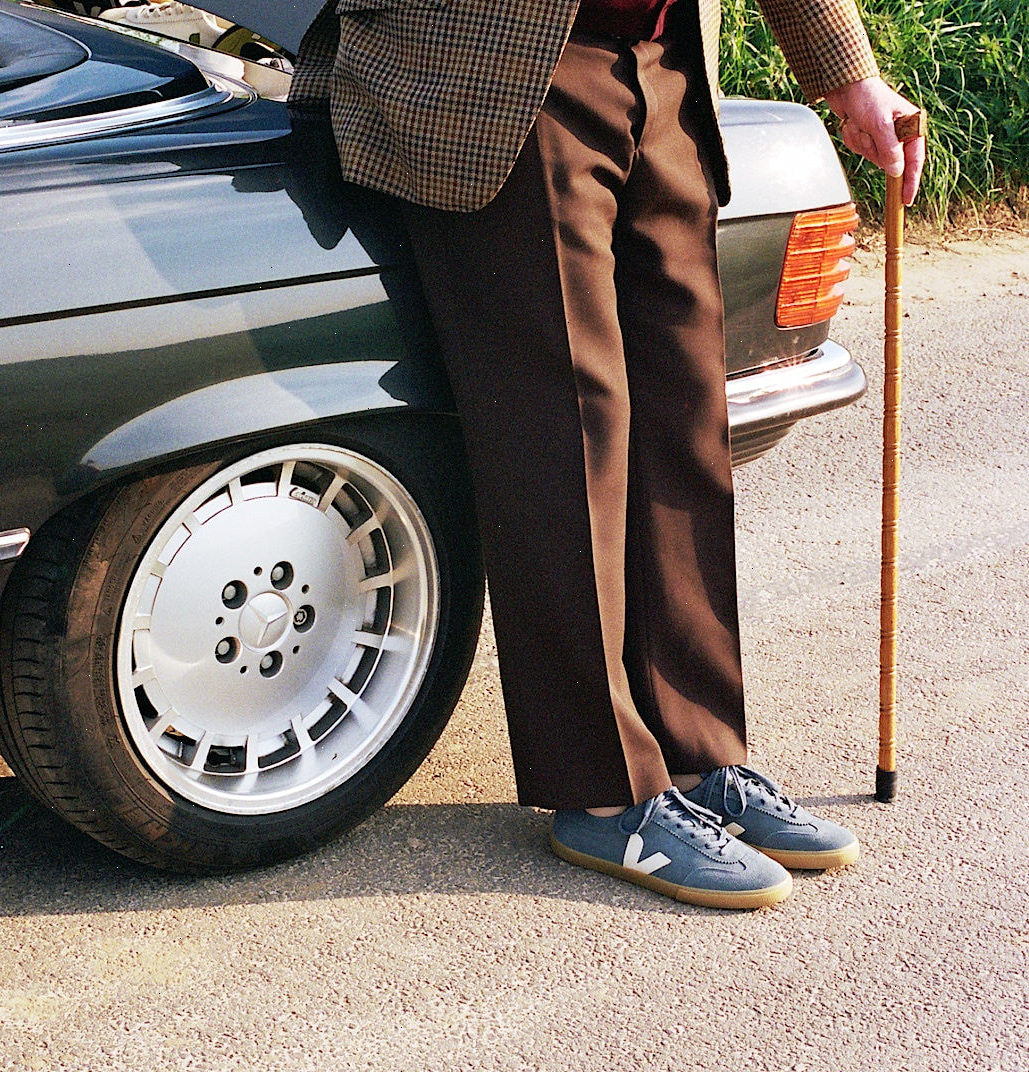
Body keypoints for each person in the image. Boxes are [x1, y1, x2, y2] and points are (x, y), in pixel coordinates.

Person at [288, 0, 925, 909]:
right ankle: (602, 789)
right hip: (498, 69)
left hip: (662, 59)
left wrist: (849, 75)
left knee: (683, 414)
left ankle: (697, 757)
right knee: (566, 432)